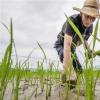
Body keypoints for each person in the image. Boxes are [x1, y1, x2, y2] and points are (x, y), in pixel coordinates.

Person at [54, 0, 100, 83]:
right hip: (62, 44)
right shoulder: (72, 21)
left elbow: (84, 39)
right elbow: (67, 46)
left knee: (79, 71)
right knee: (68, 66)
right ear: (81, 13)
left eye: (93, 18)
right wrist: (69, 69)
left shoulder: (90, 27)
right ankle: (64, 72)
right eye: (87, 16)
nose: (89, 21)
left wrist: (89, 50)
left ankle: (65, 78)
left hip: (72, 48)